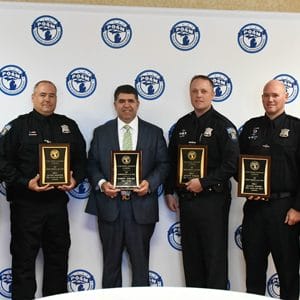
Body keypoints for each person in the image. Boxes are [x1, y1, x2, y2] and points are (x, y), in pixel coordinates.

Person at [0, 80, 87, 300]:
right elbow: (2, 163)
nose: (47, 99)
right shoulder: (17, 127)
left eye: (51, 95)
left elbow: (82, 161)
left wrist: (75, 180)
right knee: (23, 262)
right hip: (26, 206)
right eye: (42, 95)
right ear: (33, 98)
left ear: (56, 98)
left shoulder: (68, 126)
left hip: (56, 205)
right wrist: (23, 182)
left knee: (58, 261)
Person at [85, 84, 169, 288]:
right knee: (110, 267)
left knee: (141, 269)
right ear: (115, 104)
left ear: (138, 104)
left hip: (141, 208)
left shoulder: (154, 132)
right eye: (122, 101)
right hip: (110, 206)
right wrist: (102, 184)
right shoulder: (101, 132)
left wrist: (149, 184)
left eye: (131, 101)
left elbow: (164, 164)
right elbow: (92, 163)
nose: (126, 105)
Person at [164, 75, 239, 289]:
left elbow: (231, 165)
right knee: (192, 259)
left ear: (213, 94)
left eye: (204, 91)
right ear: (189, 94)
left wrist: (204, 182)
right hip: (187, 201)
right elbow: (172, 161)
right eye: (195, 91)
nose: (199, 95)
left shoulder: (224, 126)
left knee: (214, 259)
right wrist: (169, 191)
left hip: (213, 201)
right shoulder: (182, 125)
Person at [238, 79, 300, 300]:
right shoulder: (250, 128)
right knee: (253, 272)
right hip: (254, 208)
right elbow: (238, 164)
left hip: (285, 210)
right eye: (266, 95)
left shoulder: (297, 128)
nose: (270, 99)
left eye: (275, 95)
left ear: (286, 97)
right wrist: (246, 187)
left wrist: (297, 208)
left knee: (288, 272)